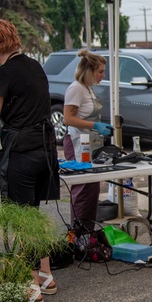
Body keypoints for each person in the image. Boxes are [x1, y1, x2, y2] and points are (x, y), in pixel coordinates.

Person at [0, 18, 60, 302]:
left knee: (20, 221)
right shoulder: (35, 67)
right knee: (32, 217)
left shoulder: (2, 74)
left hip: (21, 156)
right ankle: (46, 276)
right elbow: (30, 113)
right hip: (44, 153)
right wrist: (1, 129)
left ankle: (30, 286)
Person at [62, 49, 112, 224]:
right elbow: (68, 118)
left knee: (92, 187)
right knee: (82, 187)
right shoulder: (76, 89)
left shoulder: (88, 89)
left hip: (89, 142)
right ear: (89, 71)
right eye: (100, 71)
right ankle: (77, 232)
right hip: (76, 142)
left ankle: (88, 231)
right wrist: (94, 125)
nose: (103, 75)